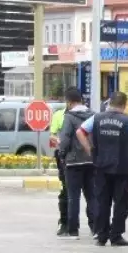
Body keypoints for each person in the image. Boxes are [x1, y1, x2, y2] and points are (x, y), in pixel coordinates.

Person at [77, 91, 128, 247]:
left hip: (100, 166)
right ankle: (116, 236)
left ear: (109, 103)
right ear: (124, 104)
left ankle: (101, 236)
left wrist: (90, 150)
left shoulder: (96, 118)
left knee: (102, 201)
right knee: (121, 202)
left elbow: (80, 132)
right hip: (121, 168)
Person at [55, 88, 96, 239]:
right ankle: (95, 228)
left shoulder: (69, 117)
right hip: (91, 161)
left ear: (69, 102)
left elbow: (65, 138)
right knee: (92, 196)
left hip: (73, 163)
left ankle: (73, 230)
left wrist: (62, 154)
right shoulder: (93, 115)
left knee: (73, 197)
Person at [50, 98, 69, 236]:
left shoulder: (87, 115)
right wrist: (58, 141)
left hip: (82, 159)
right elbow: (52, 135)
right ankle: (64, 222)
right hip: (63, 156)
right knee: (65, 190)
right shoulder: (58, 115)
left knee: (90, 193)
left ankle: (94, 225)